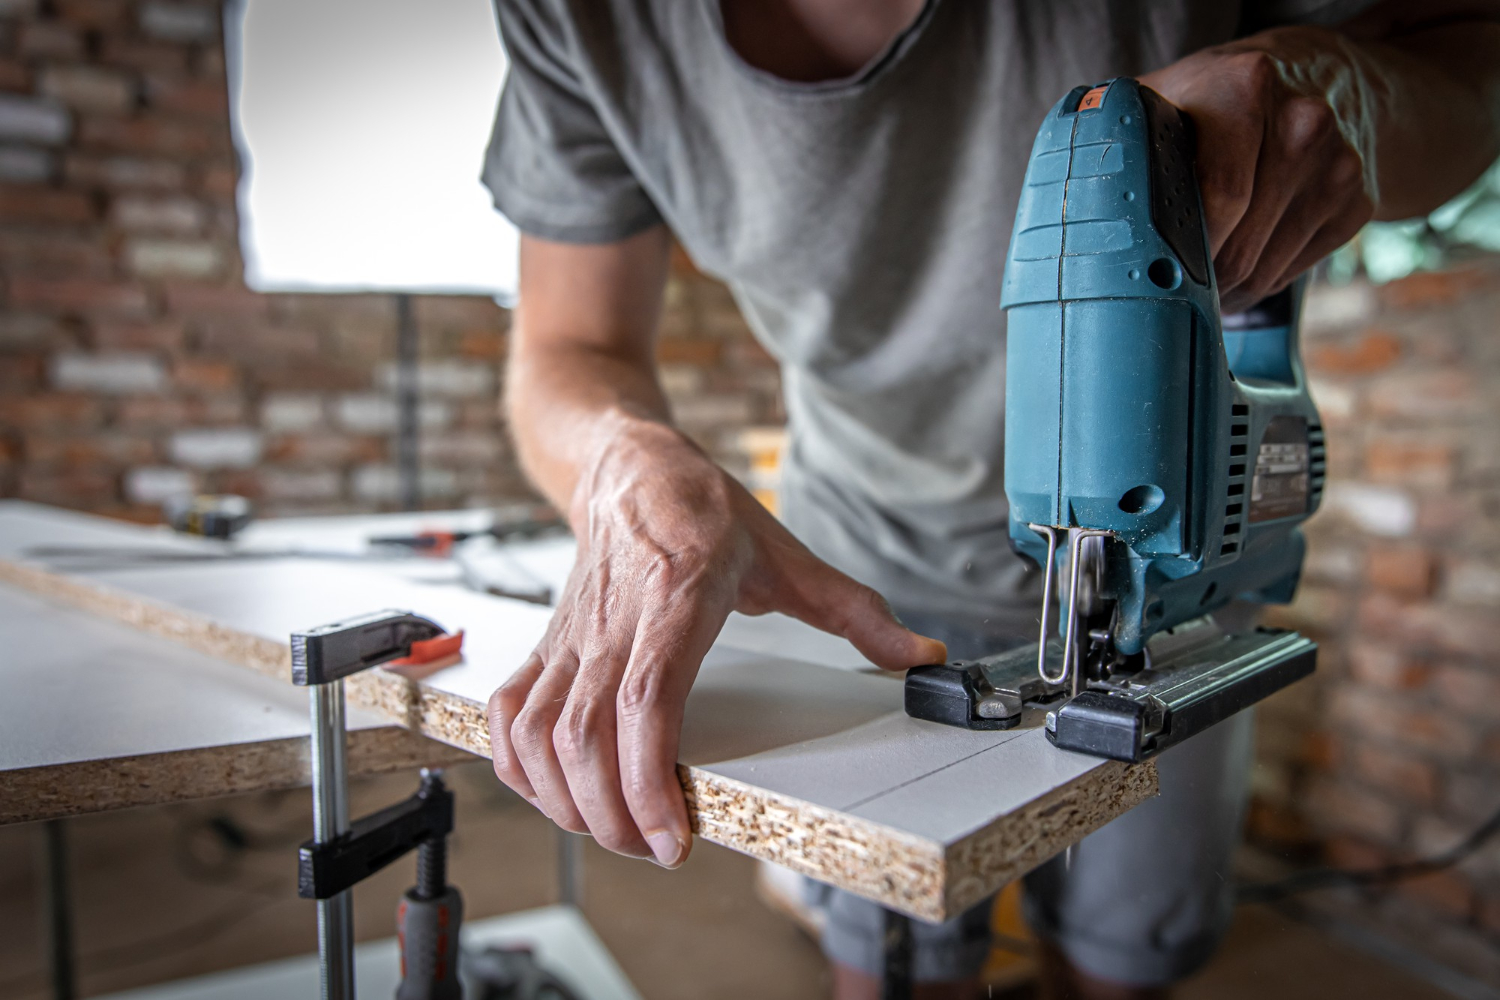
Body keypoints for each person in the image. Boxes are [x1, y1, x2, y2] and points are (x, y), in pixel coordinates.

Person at [478, 2, 1500, 996]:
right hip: (858, 578)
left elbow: (1467, 61)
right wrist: (623, 458)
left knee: (1123, 958)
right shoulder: (582, 18)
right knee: (891, 958)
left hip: (1178, 604)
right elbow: (573, 347)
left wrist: (1352, 86)